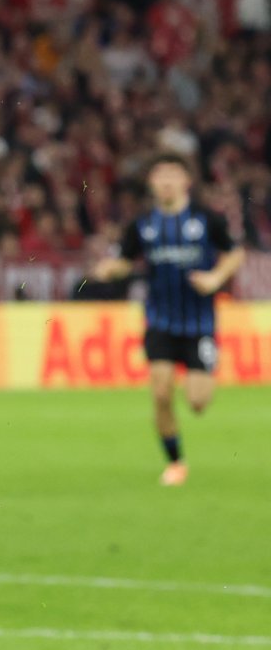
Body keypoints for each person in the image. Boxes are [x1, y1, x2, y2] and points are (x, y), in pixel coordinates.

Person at [89, 154, 244, 485]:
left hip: (200, 324)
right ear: (151, 183)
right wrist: (111, 268)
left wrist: (216, 278)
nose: (166, 181)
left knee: (198, 402)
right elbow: (127, 260)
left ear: (186, 181)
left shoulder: (206, 219)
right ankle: (176, 463)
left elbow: (235, 253)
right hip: (159, 320)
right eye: (160, 175)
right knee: (160, 393)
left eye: (173, 174)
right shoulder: (142, 224)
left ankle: (200, 376)